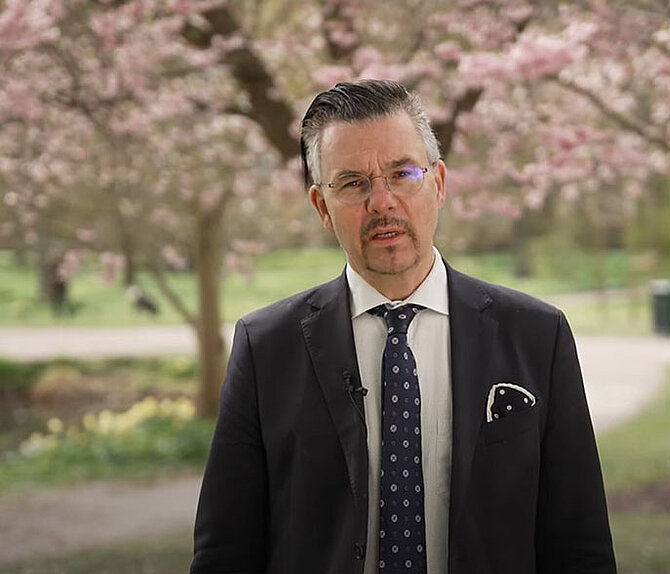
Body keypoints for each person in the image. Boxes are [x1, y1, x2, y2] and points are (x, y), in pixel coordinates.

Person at [190, 79, 616, 574]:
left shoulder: (537, 337)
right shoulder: (265, 349)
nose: (382, 201)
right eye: (353, 183)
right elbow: (225, 551)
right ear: (322, 207)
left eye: (402, 173)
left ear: (438, 184)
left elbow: (579, 545)